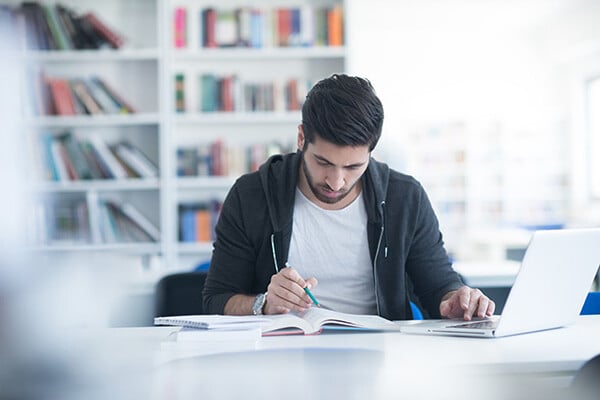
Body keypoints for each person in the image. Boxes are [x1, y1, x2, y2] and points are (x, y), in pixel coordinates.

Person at [203, 74, 495, 321]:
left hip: (379, 356)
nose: (336, 181)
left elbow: (438, 287)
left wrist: (456, 300)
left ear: (371, 152)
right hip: (280, 357)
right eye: (324, 162)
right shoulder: (251, 195)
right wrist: (263, 304)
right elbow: (216, 300)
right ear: (301, 138)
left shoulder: (405, 198)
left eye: (353, 166)